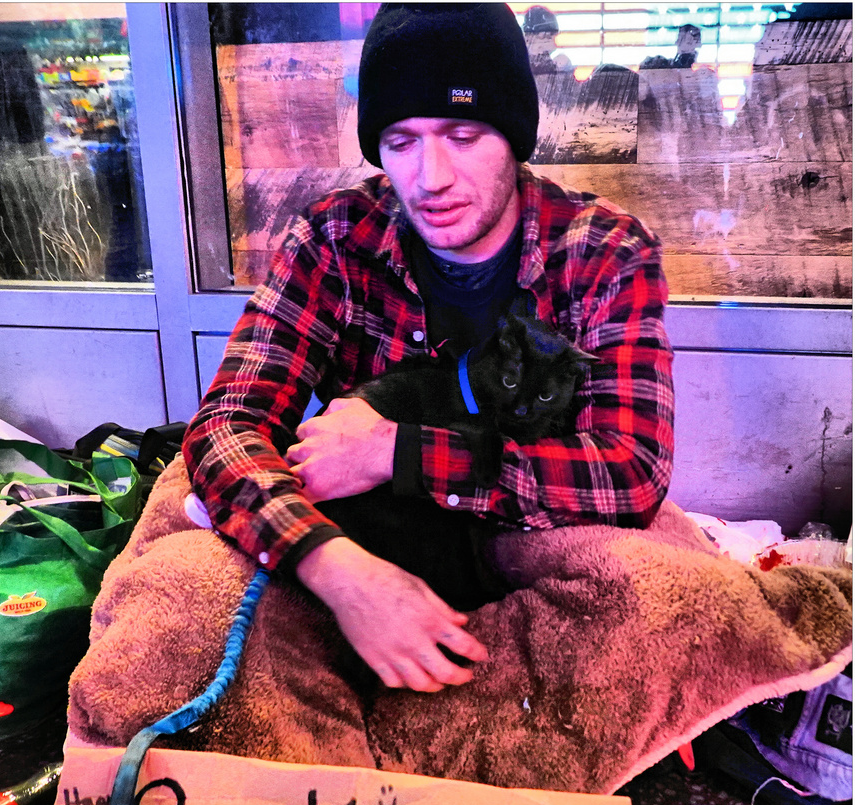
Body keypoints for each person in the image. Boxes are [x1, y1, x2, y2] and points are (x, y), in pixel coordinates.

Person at [182, 2, 674, 695]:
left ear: (514, 135)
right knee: (176, 593)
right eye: (402, 140)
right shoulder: (335, 238)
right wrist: (339, 571)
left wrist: (396, 452)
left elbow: (631, 474)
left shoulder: (602, 251)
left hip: (528, 535)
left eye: (463, 134)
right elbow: (227, 424)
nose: (430, 177)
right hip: (367, 542)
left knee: (665, 595)